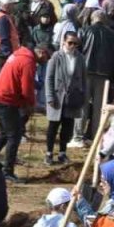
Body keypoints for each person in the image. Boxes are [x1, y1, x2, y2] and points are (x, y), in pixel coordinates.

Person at [0, 45, 38, 182]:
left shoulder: (19, 54)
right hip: (5, 100)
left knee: (5, 133)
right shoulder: (28, 61)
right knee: (14, 135)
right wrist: (31, 104)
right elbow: (26, 88)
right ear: (41, 52)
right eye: (47, 56)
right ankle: (7, 171)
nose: (46, 59)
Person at [76, 9, 114, 145]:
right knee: (99, 107)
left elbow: (78, 52)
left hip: (86, 72)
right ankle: (95, 136)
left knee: (82, 105)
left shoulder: (84, 31)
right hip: (104, 74)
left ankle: (78, 136)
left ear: (92, 18)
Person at [44, 32, 86, 165]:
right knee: (53, 126)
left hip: (72, 98)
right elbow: (49, 78)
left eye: (75, 43)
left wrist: (82, 96)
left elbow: (84, 79)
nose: (72, 46)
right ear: (64, 42)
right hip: (57, 97)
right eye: (70, 43)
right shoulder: (56, 56)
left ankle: (62, 153)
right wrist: (50, 96)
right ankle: (49, 153)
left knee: (67, 127)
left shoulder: (80, 58)